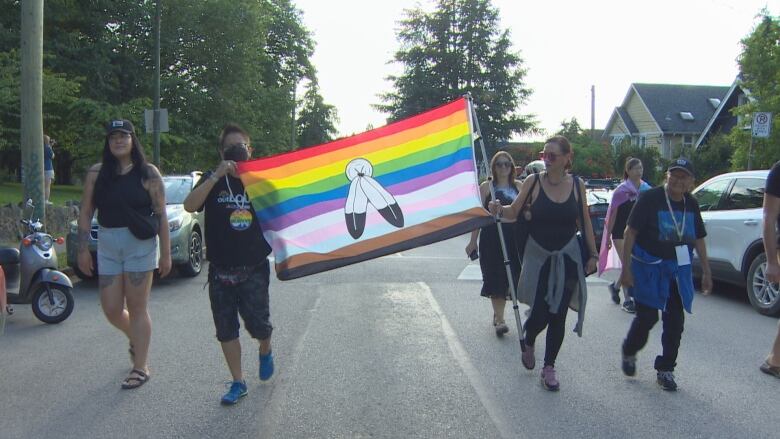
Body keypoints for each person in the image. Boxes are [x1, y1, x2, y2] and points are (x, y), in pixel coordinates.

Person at [489, 136, 597, 391]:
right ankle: (529, 337)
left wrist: (593, 254)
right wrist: (498, 209)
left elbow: (584, 221)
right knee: (541, 312)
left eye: (552, 156)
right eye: (544, 155)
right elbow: (513, 212)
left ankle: (549, 367)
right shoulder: (533, 181)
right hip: (538, 257)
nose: (546, 160)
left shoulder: (577, 185)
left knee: (558, 313)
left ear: (567, 158)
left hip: (568, 256)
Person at [183, 123, 275, 405]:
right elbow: (189, 205)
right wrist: (216, 176)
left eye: (242, 147)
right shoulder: (212, 179)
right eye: (230, 148)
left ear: (251, 150)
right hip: (221, 269)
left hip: (254, 265)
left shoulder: (261, 180)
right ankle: (238, 382)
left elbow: (283, 210)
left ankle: (265, 347)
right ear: (221, 152)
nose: (236, 152)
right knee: (226, 328)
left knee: (259, 324)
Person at [77, 119, 171, 389]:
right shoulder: (97, 173)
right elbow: (86, 212)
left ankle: (140, 366)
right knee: (111, 309)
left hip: (140, 245)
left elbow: (161, 214)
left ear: (133, 140)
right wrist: (83, 250)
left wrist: (165, 254)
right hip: (107, 244)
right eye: (113, 137)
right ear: (108, 143)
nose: (118, 141)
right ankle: (137, 339)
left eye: (123, 136)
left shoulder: (148, 173)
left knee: (138, 306)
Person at [619, 158, 712, 391]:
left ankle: (666, 369)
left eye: (684, 177)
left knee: (675, 321)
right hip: (648, 268)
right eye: (674, 175)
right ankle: (630, 350)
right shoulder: (650, 199)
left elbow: (699, 237)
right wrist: (626, 269)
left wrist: (707, 271)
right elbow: (630, 232)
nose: (678, 180)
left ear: (691, 182)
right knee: (648, 317)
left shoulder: (691, 204)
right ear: (666, 176)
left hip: (676, 271)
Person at [465, 151, 522, 337]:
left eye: (507, 164)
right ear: (494, 167)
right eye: (500, 164)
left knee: (511, 278)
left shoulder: (519, 187)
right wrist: (473, 241)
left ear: (512, 167)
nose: (504, 168)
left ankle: (498, 314)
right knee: (495, 277)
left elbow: (525, 213)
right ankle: (500, 319)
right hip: (492, 238)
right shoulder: (486, 187)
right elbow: (478, 217)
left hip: (514, 238)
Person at [599, 157, 651, 313]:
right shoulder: (621, 191)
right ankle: (628, 300)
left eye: (641, 168)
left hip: (637, 234)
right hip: (619, 233)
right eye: (635, 168)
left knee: (633, 265)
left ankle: (615, 287)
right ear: (628, 171)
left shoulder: (646, 189)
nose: (639, 171)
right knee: (627, 265)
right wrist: (607, 236)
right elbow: (613, 215)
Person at [760, 160, 780, 379]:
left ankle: (775, 359)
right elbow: (768, 217)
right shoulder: (779, 171)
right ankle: (775, 359)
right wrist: (772, 261)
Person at [43, 134, 55, 205]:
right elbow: (52, 156)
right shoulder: (47, 148)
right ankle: (45, 200)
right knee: (47, 186)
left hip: (42, 169)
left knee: (42, 185)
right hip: (48, 169)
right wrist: (51, 147)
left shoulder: (40, 147)